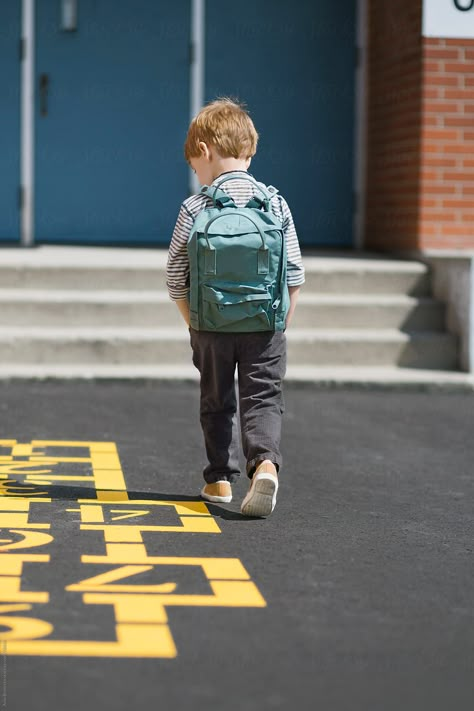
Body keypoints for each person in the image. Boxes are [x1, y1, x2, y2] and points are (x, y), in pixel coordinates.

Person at [166, 97, 305, 517]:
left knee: (216, 400)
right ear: (251, 150)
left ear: (205, 152)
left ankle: (219, 480)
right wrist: (280, 323)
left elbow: (175, 276)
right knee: (263, 398)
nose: (197, 173)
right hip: (264, 325)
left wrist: (195, 322)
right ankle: (264, 465)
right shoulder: (275, 203)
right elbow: (294, 274)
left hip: (211, 325)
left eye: (195, 166)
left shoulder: (196, 206)